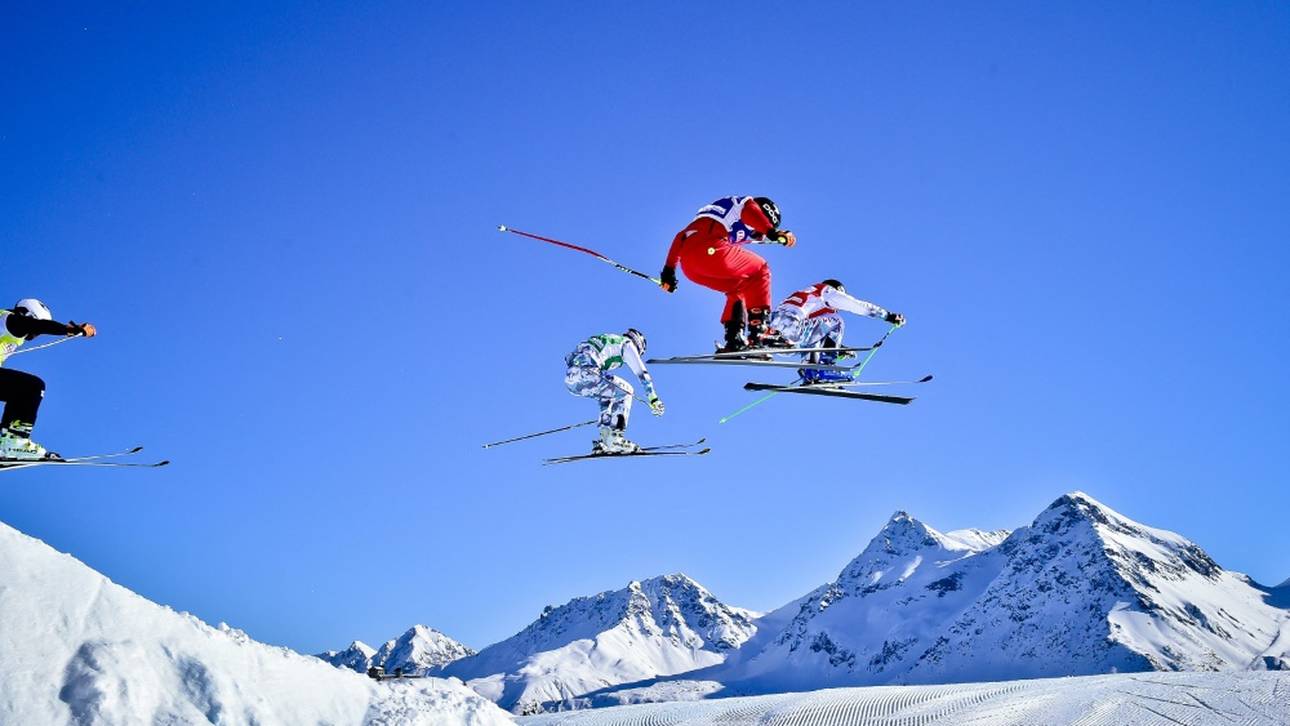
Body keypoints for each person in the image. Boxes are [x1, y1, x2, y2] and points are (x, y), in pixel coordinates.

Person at [660, 196, 797, 353]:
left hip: (691, 268)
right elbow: (750, 212)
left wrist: (669, 271)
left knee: (740, 287)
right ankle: (760, 332)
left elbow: (681, 236)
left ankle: (734, 339)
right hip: (712, 249)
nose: (756, 236)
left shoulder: (716, 218)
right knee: (761, 269)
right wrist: (771, 231)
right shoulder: (746, 205)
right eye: (757, 232)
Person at [0, 298, 97, 460]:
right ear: (26, 314)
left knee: (19, 393)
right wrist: (71, 329)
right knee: (31, 387)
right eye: (36, 331)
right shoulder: (9, 320)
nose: (34, 336)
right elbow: (37, 325)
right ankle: (13, 442)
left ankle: (7, 442)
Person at [769, 280, 904, 383]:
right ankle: (825, 368)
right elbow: (858, 306)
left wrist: (838, 349)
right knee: (836, 320)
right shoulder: (828, 291)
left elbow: (815, 334)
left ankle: (811, 371)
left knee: (818, 331)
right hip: (794, 328)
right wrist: (888, 316)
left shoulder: (808, 296)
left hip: (777, 335)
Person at [564, 329, 664, 454]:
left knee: (608, 394)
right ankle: (616, 438)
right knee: (626, 391)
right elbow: (642, 373)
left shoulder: (610, 341)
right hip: (588, 372)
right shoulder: (627, 344)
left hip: (571, 380)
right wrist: (653, 399)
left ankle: (605, 439)